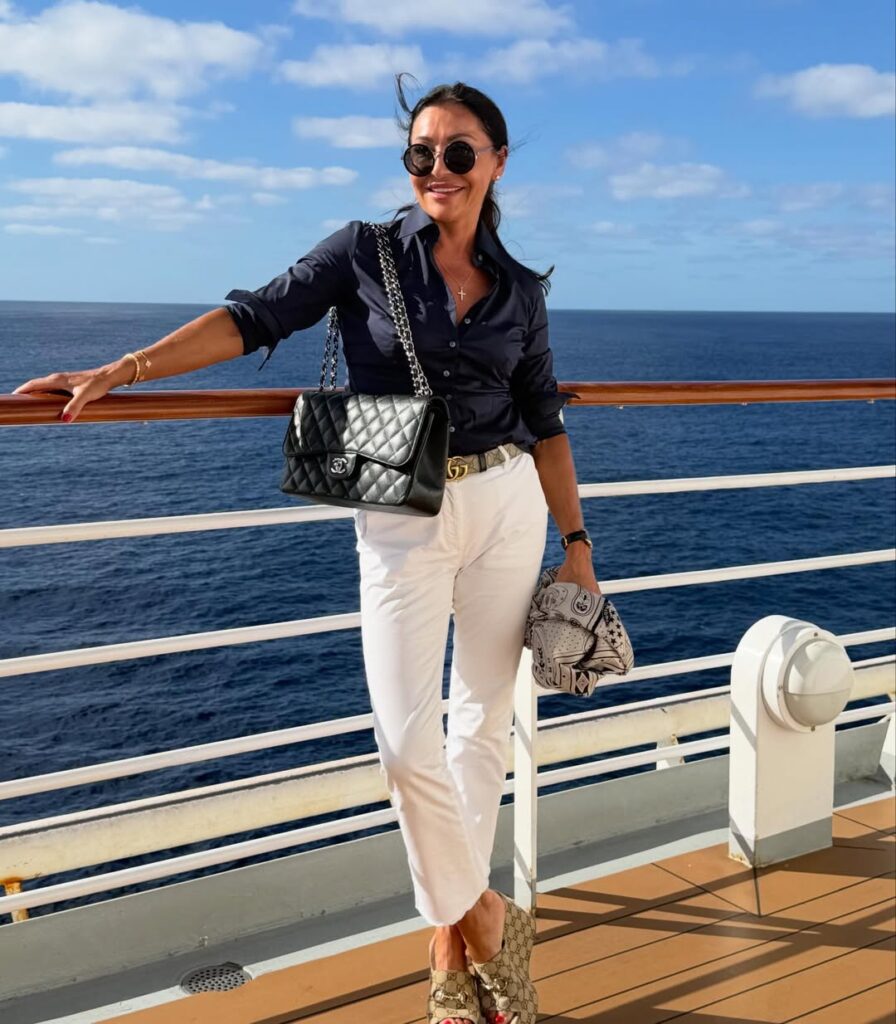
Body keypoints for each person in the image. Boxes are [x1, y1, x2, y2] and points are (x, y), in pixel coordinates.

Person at [14, 76, 601, 1024]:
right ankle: (488, 918)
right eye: (421, 153)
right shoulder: (363, 253)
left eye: (458, 152)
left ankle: (449, 965)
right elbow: (255, 315)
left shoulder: (522, 292)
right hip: (399, 506)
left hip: (505, 504)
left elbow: (546, 423)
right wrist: (123, 369)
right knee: (408, 744)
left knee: (480, 733)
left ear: (496, 162)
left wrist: (576, 545)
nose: (437, 168)